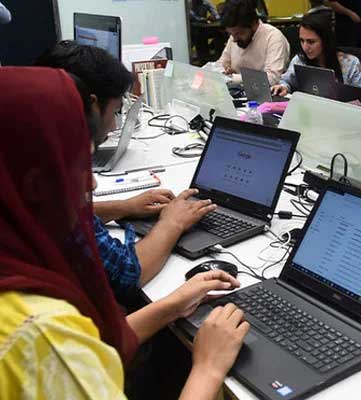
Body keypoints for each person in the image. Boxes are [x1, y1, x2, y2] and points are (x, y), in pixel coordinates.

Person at [0, 66, 249, 400]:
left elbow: (97, 342)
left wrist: (174, 304)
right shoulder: (39, 336)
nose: (91, 184)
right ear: (35, 185)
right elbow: (63, 346)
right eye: (81, 166)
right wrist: (208, 368)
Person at [35, 41, 216, 302]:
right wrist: (172, 223)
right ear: (92, 106)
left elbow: (53, 213)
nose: (112, 125)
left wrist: (123, 207)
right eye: (116, 111)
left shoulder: (26, 142)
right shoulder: (45, 167)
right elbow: (125, 274)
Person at [271, 13, 361, 96]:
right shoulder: (300, 60)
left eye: (311, 42)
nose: (305, 47)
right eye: (302, 41)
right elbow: (286, 81)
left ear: (325, 41)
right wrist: (284, 87)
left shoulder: (351, 64)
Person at [217, 0, 290, 86]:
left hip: (266, 95)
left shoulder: (273, 37)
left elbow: (272, 78)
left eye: (240, 33)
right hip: (238, 91)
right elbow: (220, 65)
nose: (234, 39)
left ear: (254, 24)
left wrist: (233, 77)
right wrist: (223, 71)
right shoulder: (235, 36)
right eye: (231, 34)